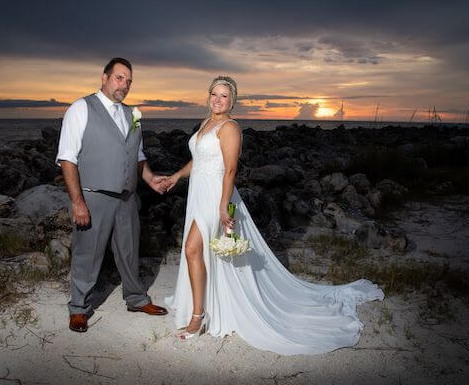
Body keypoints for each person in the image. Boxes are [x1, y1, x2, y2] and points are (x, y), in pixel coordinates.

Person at [163, 76, 384, 354]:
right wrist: (175, 176)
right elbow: (199, 160)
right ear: (208, 96)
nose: (218, 100)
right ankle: (204, 304)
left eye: (224, 96)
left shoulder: (230, 128)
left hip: (215, 195)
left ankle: (198, 317)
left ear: (233, 101)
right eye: (214, 95)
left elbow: (230, 170)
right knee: (199, 251)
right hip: (198, 192)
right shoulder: (207, 124)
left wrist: (222, 205)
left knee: (192, 249)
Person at [56, 57, 168, 333]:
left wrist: (151, 178)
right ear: (104, 78)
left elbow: (137, 155)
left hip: (127, 197)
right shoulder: (81, 108)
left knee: (130, 251)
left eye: (129, 81)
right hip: (94, 196)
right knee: (88, 254)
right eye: (119, 78)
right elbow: (67, 159)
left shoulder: (132, 115)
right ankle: (79, 308)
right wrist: (77, 202)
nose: (125, 85)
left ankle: (136, 299)